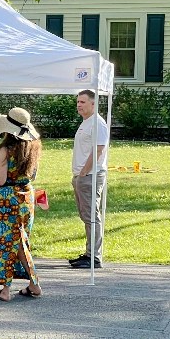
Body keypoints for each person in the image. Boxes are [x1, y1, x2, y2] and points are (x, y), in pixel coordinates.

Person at [0, 107, 43, 301]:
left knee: (6, 242)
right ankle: (32, 284)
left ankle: (6, 289)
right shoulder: (34, 147)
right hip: (26, 195)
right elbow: (33, 175)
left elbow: (1, 180)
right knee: (21, 241)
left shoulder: (5, 150)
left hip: (8, 197)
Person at [70, 89, 109, 269]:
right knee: (86, 216)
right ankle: (89, 253)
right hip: (81, 176)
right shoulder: (86, 122)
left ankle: (94, 256)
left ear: (93, 104)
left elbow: (98, 150)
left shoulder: (97, 123)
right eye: (78, 102)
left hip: (90, 176)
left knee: (92, 216)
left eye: (83, 102)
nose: (79, 105)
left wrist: (85, 172)